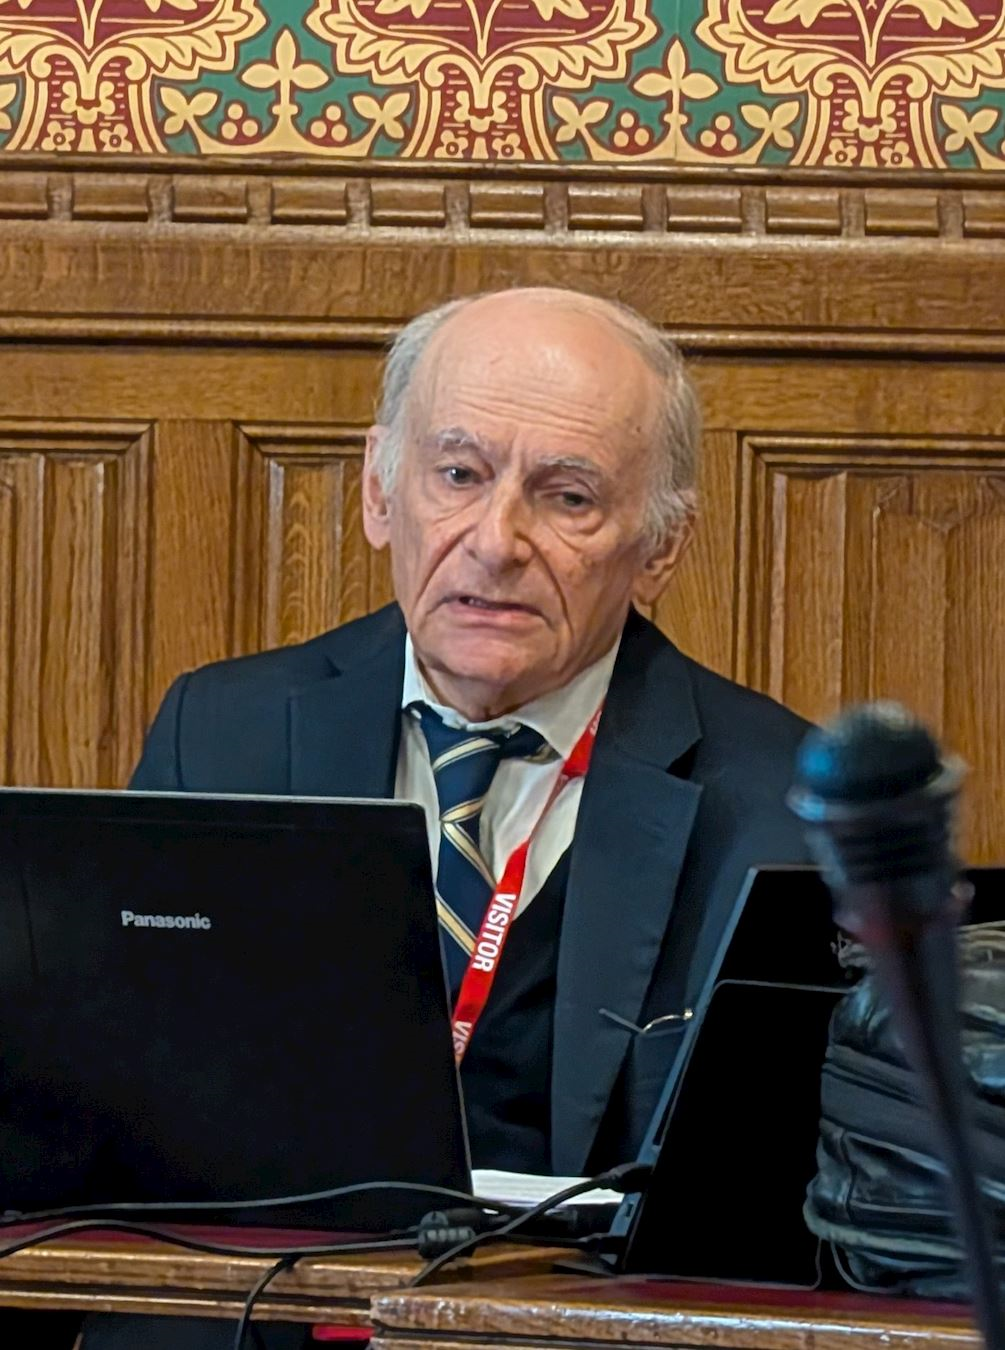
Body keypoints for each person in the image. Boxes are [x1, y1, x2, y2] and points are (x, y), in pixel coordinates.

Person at [81, 288, 809, 1348]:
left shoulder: (780, 807)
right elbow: (104, 1110)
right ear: (381, 490)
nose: (496, 541)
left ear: (660, 546)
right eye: (459, 475)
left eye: (567, 497)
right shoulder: (222, 734)